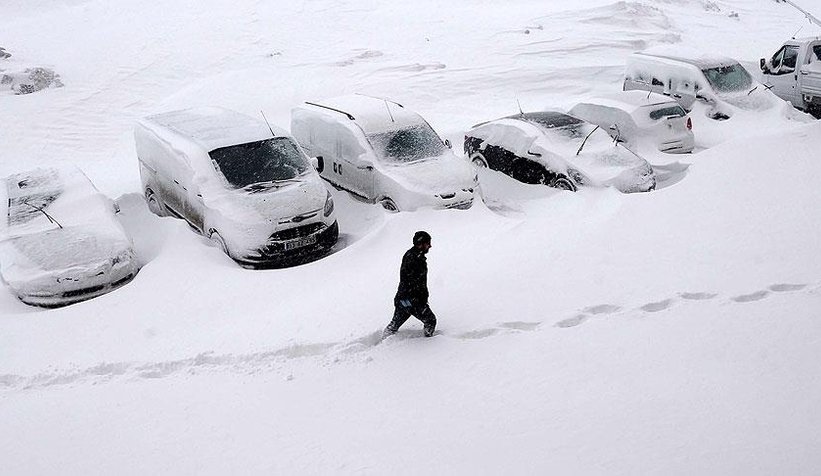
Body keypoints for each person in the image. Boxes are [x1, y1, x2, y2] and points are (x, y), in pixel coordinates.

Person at [383, 231, 437, 338]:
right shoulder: (414, 259)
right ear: (420, 244)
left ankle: (384, 339)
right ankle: (429, 343)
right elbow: (412, 281)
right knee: (430, 320)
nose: (430, 246)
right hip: (412, 300)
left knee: (395, 323)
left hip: (403, 299)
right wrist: (418, 301)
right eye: (427, 243)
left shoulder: (412, 255)